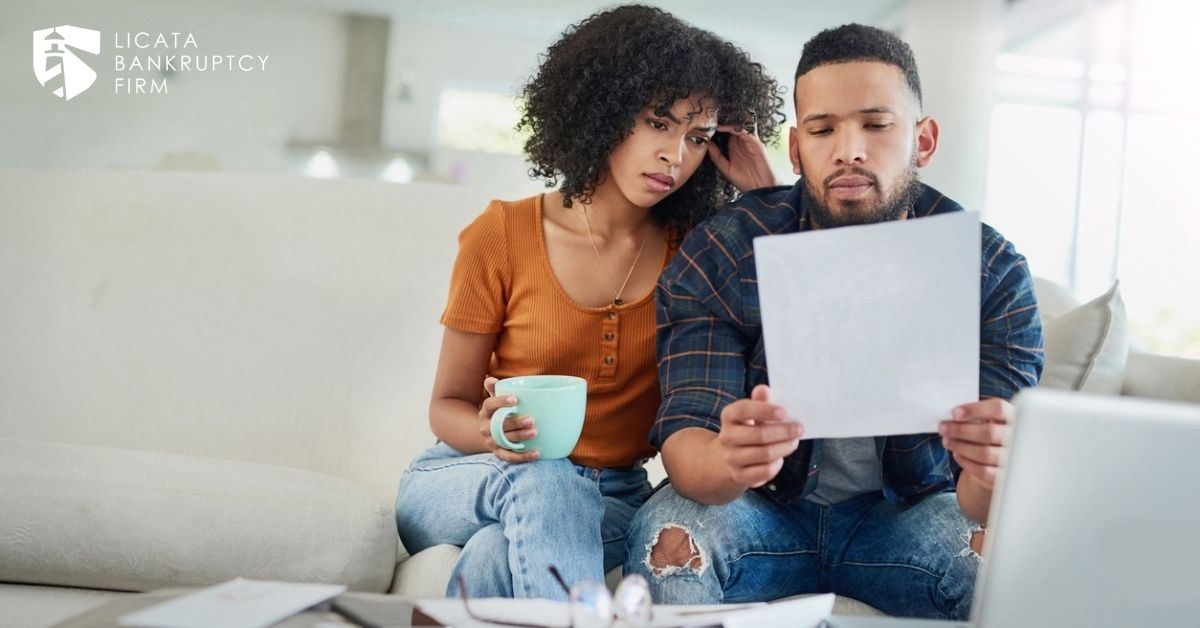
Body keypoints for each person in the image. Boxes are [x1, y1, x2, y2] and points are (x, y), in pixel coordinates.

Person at [622, 23, 1043, 620]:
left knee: (1003, 561)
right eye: (823, 130)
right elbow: (690, 451)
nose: (849, 149)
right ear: (796, 150)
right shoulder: (725, 250)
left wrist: (992, 464)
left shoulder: (991, 271)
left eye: (876, 124)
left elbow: (983, 504)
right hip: (760, 510)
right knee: (669, 536)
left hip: (909, 516)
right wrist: (732, 459)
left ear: (923, 140)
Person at [393, 5, 784, 600]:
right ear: (602, 110)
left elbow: (798, 328)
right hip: (467, 475)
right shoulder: (501, 234)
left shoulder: (697, 253)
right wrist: (492, 430)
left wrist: (765, 199)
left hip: (611, 499)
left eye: (698, 137)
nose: (674, 155)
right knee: (546, 476)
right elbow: (447, 405)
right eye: (658, 122)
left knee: (495, 555)